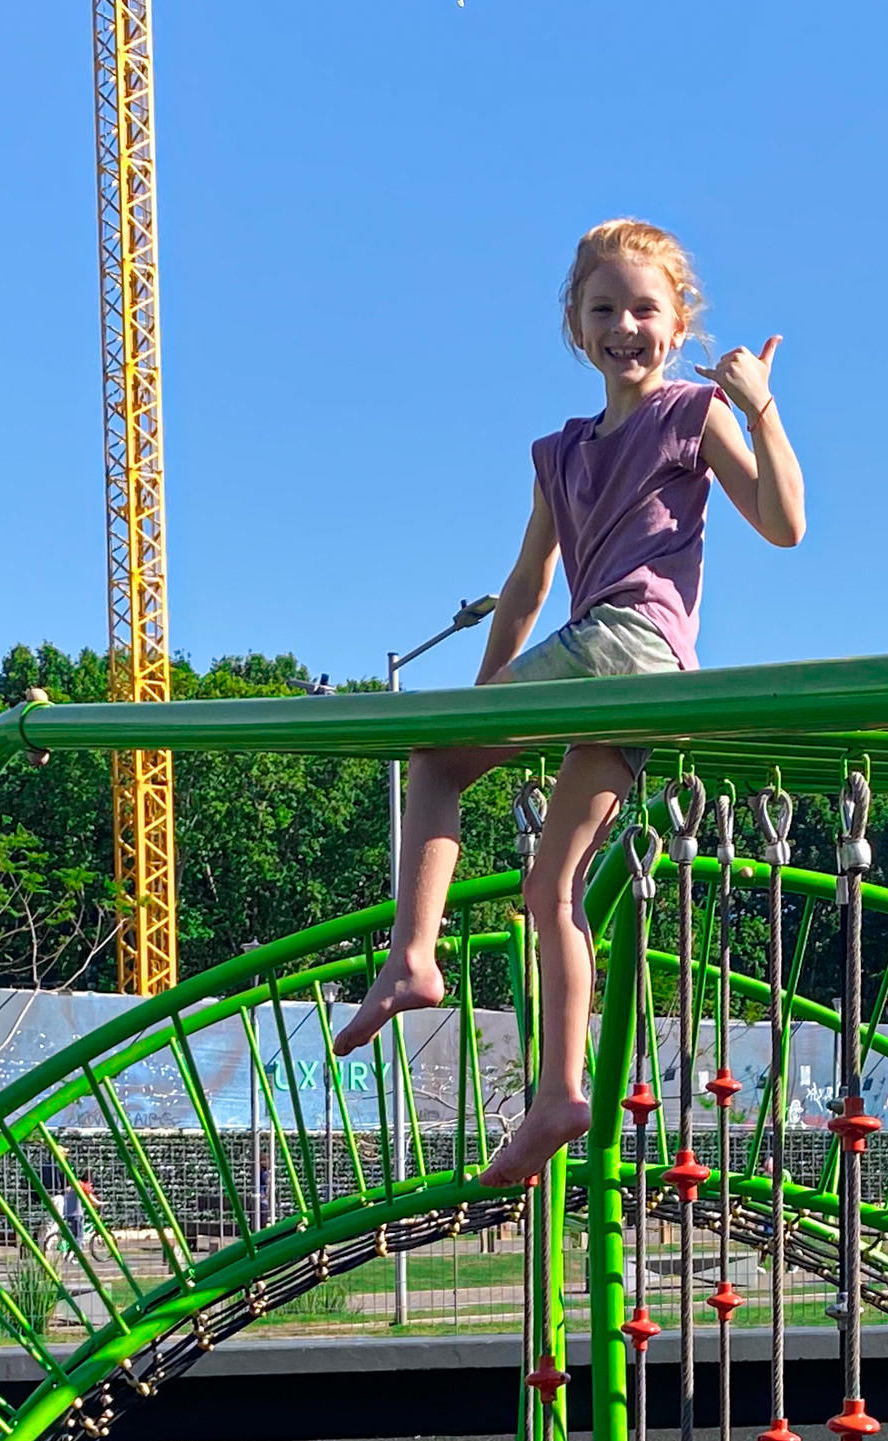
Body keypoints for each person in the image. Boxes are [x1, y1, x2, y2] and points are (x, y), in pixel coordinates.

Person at [330, 218, 808, 1188]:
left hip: (630, 647)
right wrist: (480, 702)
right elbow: (525, 585)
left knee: (431, 765)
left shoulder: (690, 412)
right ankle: (560, 1092)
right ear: (574, 327)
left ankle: (412, 955)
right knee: (548, 889)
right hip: (619, 674)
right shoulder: (559, 454)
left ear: (677, 327)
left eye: (644, 309)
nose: (624, 325)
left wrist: (758, 409)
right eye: (604, 309)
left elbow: (785, 524)